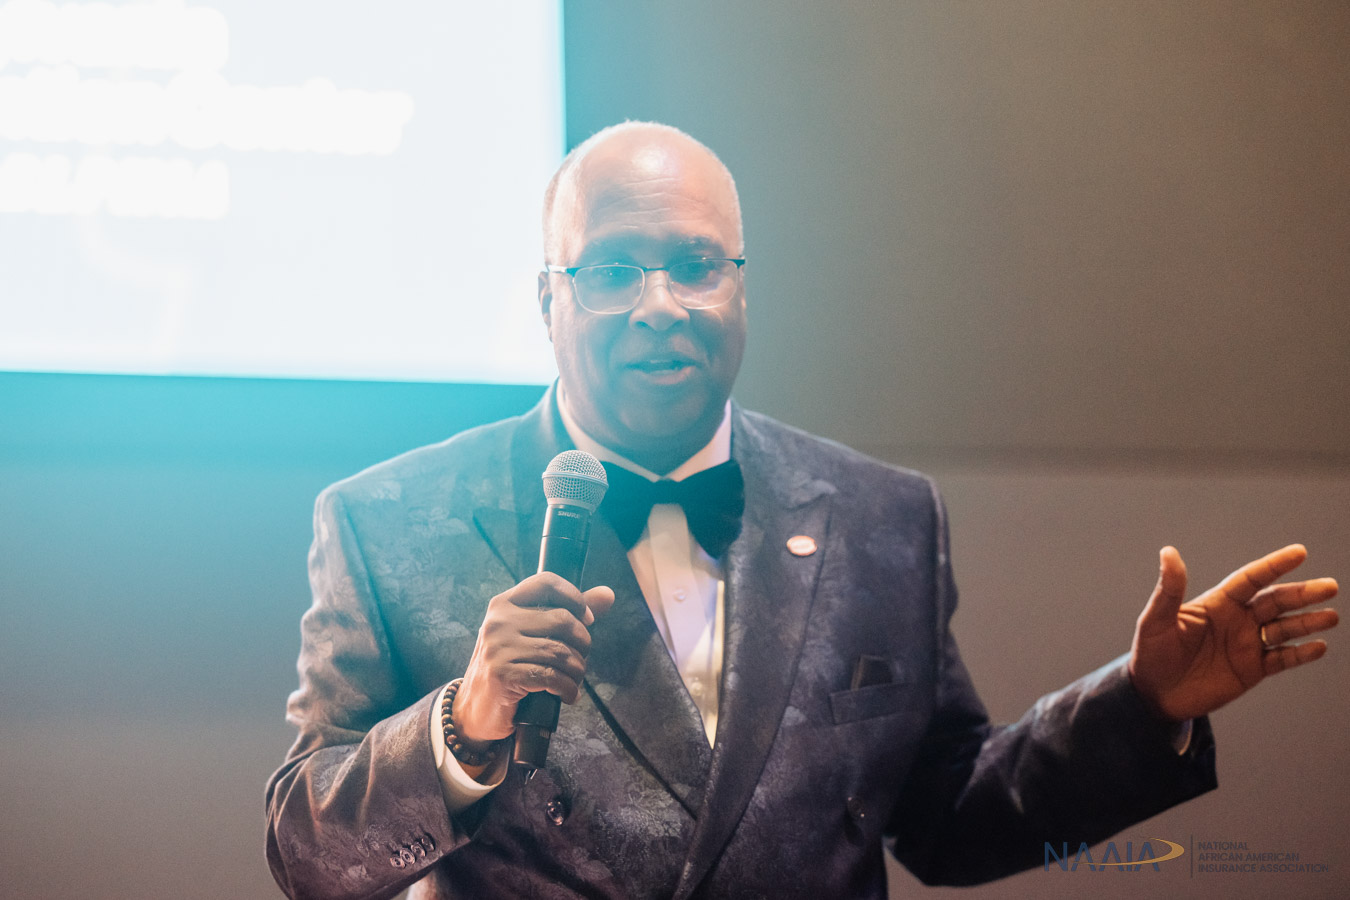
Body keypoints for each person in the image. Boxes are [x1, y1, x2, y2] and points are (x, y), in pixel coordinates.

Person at [264, 122, 1338, 900]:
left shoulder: (884, 519)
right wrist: (467, 719)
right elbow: (309, 856)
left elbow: (951, 823)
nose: (659, 305)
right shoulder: (391, 522)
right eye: (612, 270)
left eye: (696, 266)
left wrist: (1143, 706)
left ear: (741, 290)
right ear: (548, 299)